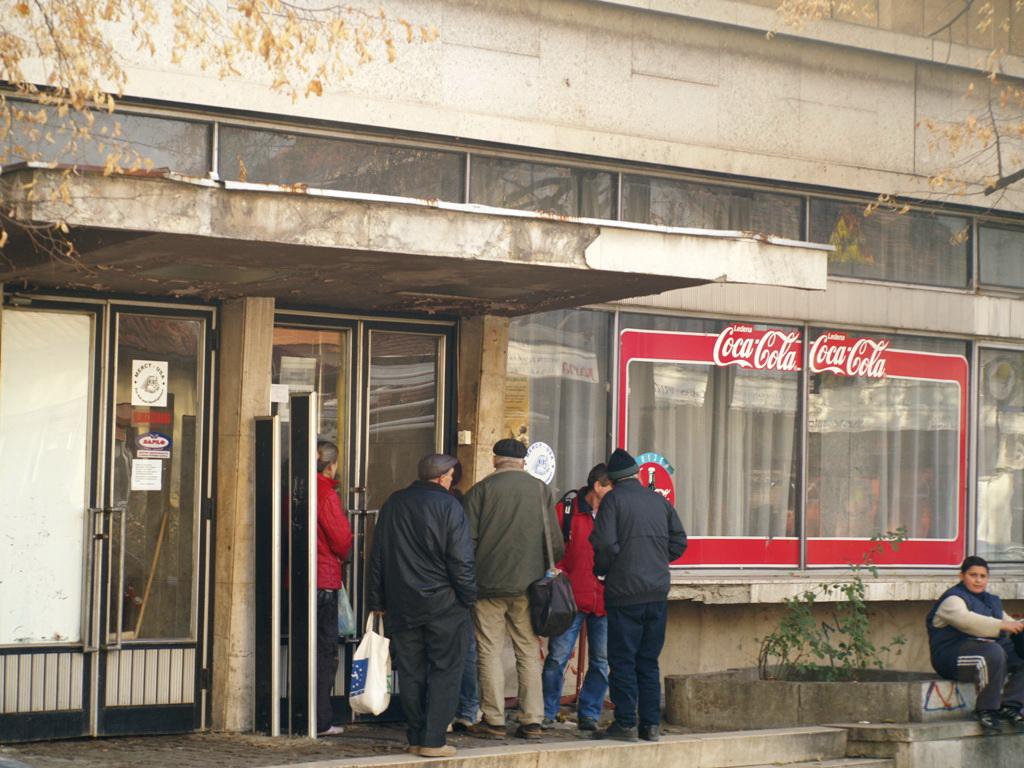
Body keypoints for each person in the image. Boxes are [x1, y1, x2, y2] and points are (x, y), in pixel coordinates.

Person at [367, 453, 477, 758]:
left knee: (412, 672)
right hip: (445, 604)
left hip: (402, 604)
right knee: (445, 670)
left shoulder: (394, 503)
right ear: (444, 478)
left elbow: (377, 555)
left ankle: (415, 737)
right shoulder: (450, 506)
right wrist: (468, 597)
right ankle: (433, 739)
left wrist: (377, 599)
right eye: (452, 477)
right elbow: (461, 561)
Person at [462, 438, 563, 739]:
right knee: (528, 651)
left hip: (487, 586)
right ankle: (532, 719)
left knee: (489, 650)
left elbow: (467, 542)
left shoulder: (480, 490)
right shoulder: (542, 490)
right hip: (529, 587)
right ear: (523, 463)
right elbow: (555, 544)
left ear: (495, 460)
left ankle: (492, 720)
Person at [590, 448, 687, 742]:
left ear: (614, 479)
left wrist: (606, 569)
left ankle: (625, 723)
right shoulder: (658, 501)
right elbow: (679, 542)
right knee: (648, 660)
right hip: (657, 592)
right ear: (636, 473)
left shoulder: (612, 502)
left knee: (623, 660)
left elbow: (604, 545)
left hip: (625, 593)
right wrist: (656, 560)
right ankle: (650, 726)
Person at [542, 463, 613, 731]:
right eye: (611, 487)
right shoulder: (568, 511)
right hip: (569, 599)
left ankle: (590, 714)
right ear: (598, 486)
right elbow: (549, 547)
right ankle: (548, 712)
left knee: (602, 662)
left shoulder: (615, 512)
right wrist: (556, 574)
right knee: (557, 658)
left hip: (604, 600)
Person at [926, 555, 1024, 734]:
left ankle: (1011, 706)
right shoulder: (952, 599)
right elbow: (967, 621)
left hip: (987, 653)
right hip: (951, 659)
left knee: (1015, 655)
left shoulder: (991, 601)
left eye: (983, 576)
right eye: (973, 575)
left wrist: (1018, 626)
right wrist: (1002, 625)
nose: (978, 580)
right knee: (994, 651)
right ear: (962, 576)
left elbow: (1011, 624)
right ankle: (986, 710)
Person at [314, 440, 354, 737]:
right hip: (324, 579)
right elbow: (341, 538)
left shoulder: (292, 488)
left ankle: (301, 710)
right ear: (332, 465)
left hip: (297, 578)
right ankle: (320, 718)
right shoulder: (326, 493)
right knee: (325, 649)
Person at [448, 461, 481, 731]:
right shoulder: (460, 505)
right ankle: (467, 709)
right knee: (467, 651)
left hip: (431, 593)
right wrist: (469, 593)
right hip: (458, 591)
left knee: (435, 656)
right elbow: (463, 556)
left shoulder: (413, 504)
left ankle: (441, 712)